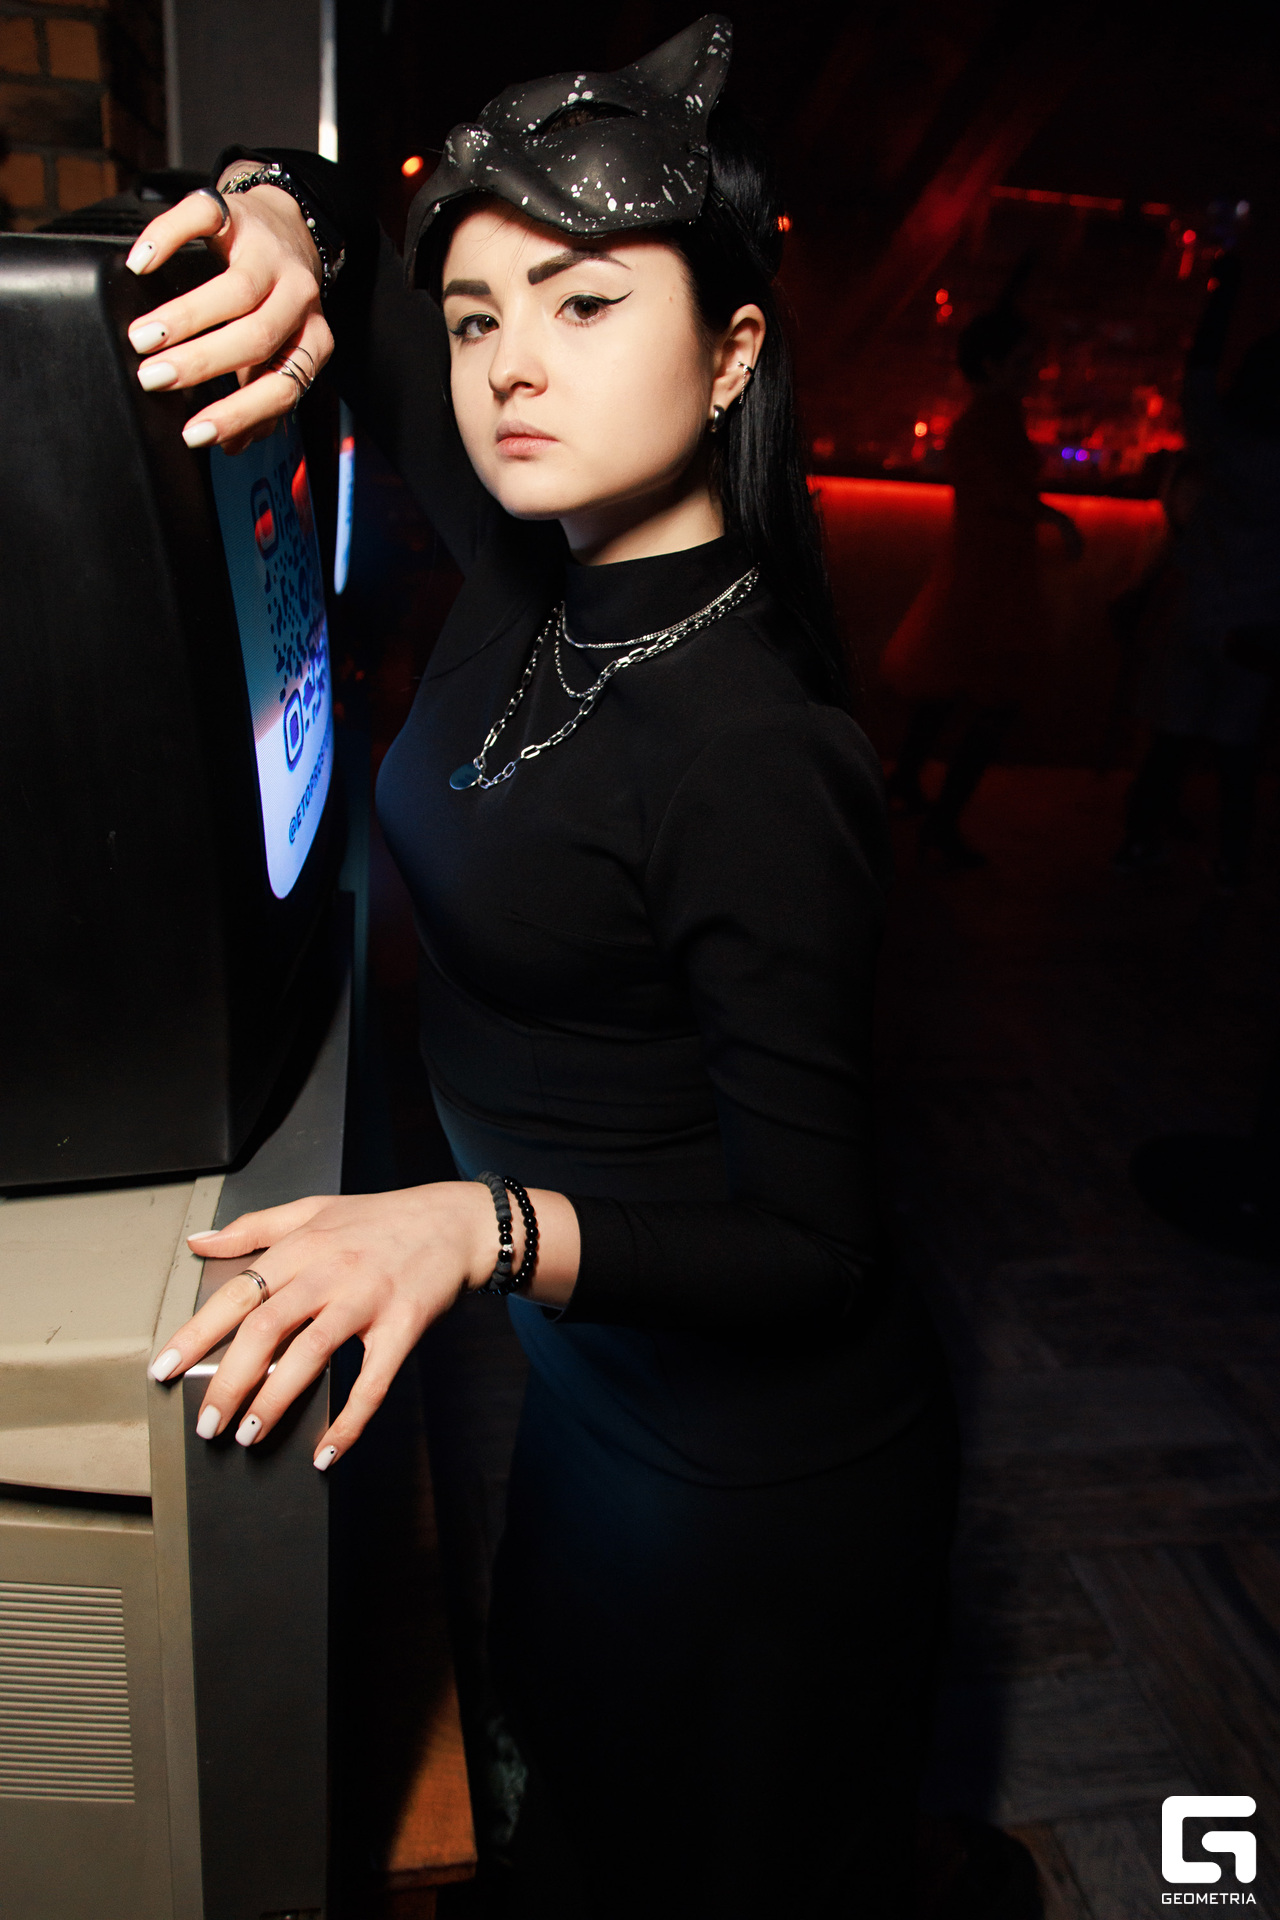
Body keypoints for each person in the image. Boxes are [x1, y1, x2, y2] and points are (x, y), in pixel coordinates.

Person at [131, 17, 956, 1915]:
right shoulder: (534, 570)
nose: (510, 362)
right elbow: (336, 229)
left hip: (756, 1484)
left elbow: (818, 1249)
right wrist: (271, 210)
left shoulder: (757, 755)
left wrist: (471, 1226)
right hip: (596, 1406)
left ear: (732, 354)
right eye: (478, 316)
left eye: (584, 306)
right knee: (566, 1801)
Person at [881, 303, 1083, 867]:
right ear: (992, 365)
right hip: (993, 574)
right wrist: (1054, 517)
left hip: (983, 568)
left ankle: (909, 789)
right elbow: (1002, 494)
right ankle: (941, 822)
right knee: (992, 700)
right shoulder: (992, 420)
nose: (1032, 369)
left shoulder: (990, 417)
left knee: (952, 688)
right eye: (1022, 359)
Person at [1115, 254, 1280, 887]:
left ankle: (1137, 844)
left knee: (1171, 738)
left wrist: (1224, 291)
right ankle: (1231, 859)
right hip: (1255, 625)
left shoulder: (1219, 436)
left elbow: (1199, 375)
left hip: (1195, 609)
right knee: (1237, 747)